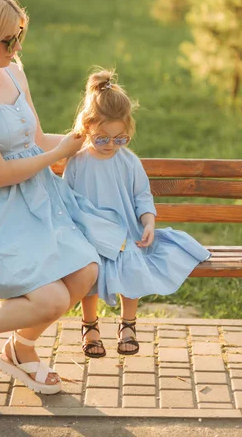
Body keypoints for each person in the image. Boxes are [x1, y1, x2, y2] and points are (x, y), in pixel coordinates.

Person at [0, 0, 126, 397]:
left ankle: (21, 349)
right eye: (7, 40)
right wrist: (57, 153)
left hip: (35, 202)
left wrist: (86, 141)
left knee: (85, 271)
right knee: (51, 298)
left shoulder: (13, 70)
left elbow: (34, 139)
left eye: (19, 36)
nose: (16, 47)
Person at [63, 68, 211, 358]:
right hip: (89, 235)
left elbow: (142, 196)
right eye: (103, 138)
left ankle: (128, 323)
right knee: (87, 268)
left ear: (127, 133)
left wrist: (148, 221)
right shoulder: (78, 162)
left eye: (120, 139)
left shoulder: (129, 163)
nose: (111, 146)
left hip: (125, 233)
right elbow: (68, 200)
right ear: (87, 127)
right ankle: (89, 325)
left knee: (130, 262)